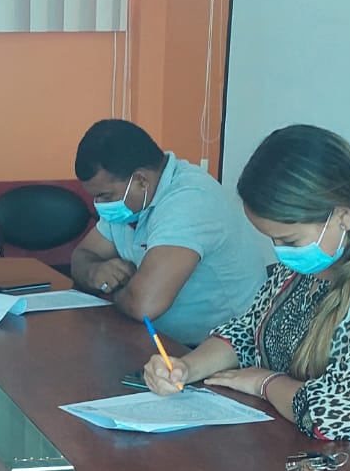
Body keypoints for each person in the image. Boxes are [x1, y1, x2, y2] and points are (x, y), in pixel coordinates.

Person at [144, 124, 350, 471]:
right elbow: (245, 333)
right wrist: (185, 368)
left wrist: (263, 382)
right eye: (272, 240)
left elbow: (333, 416)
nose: (281, 253)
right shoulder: (310, 262)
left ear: (342, 216)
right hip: (280, 451)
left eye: (289, 241)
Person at [71, 119, 270, 347]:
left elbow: (144, 304)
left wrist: (112, 291)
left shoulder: (189, 199)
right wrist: (95, 272)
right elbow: (82, 255)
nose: (99, 205)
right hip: (157, 340)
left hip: (226, 350)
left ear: (141, 180)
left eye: (105, 196)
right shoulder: (127, 203)